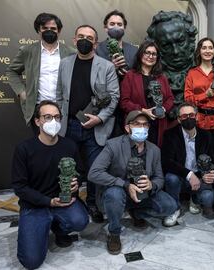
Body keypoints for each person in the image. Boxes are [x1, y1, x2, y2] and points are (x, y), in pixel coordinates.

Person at [12, 100, 88, 269]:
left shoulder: (69, 145)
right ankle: (40, 228)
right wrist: (48, 202)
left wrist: (77, 183)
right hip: (35, 205)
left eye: (57, 117)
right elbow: (19, 186)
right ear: (37, 121)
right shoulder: (24, 149)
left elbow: (81, 172)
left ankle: (58, 228)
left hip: (64, 202)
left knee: (80, 221)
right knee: (31, 262)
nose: (53, 122)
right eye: (47, 117)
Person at [88, 110, 177, 255]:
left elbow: (159, 178)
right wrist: (125, 185)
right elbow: (94, 173)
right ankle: (114, 233)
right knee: (114, 194)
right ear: (127, 127)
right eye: (137, 124)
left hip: (143, 193)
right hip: (118, 191)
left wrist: (152, 185)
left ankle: (137, 212)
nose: (141, 128)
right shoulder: (113, 145)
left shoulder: (154, 150)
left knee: (170, 206)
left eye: (145, 124)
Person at [56, 25, 119, 224]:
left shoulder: (106, 66)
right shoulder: (64, 64)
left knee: (94, 169)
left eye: (89, 38)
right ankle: (72, 202)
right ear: (74, 40)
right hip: (70, 125)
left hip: (96, 127)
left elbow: (115, 97)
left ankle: (92, 202)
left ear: (96, 43)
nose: (85, 40)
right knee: (70, 168)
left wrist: (99, 118)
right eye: (81, 36)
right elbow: (59, 95)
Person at [7, 12, 74, 133]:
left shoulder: (70, 52)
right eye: (45, 28)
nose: (49, 31)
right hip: (38, 108)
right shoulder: (27, 51)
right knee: (42, 147)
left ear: (59, 31)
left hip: (63, 108)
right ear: (39, 30)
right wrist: (21, 92)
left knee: (63, 146)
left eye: (53, 28)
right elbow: (12, 71)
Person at [162, 103, 214, 226]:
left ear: (197, 116)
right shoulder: (170, 134)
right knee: (170, 178)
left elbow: (212, 160)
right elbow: (167, 162)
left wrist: (210, 174)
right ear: (178, 119)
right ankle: (174, 208)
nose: (188, 118)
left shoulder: (206, 135)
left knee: (208, 197)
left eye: (191, 115)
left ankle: (194, 198)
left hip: (199, 176)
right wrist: (189, 174)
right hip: (180, 176)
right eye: (184, 116)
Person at [184, 37, 214, 189]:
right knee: (201, 156)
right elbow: (188, 99)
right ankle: (202, 192)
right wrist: (207, 94)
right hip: (200, 120)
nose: (207, 50)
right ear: (199, 51)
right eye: (204, 47)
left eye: (210, 47)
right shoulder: (192, 73)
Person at [120, 40, 174, 147]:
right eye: (147, 52)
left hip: (158, 124)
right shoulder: (130, 75)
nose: (150, 56)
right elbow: (124, 102)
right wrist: (143, 111)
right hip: (137, 123)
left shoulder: (161, 77)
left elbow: (170, 99)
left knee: (155, 153)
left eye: (154, 54)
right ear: (141, 54)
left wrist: (163, 109)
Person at [147, 11, 197, 117]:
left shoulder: (202, 68)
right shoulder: (151, 74)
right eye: (166, 45)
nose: (175, 51)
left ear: (190, 38)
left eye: (181, 42)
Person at [96, 9, 138, 137]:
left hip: (128, 103)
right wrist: (111, 67)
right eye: (112, 24)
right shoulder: (97, 49)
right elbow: (94, 77)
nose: (116, 27)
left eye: (119, 25)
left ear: (124, 28)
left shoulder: (134, 50)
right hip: (104, 104)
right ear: (105, 27)